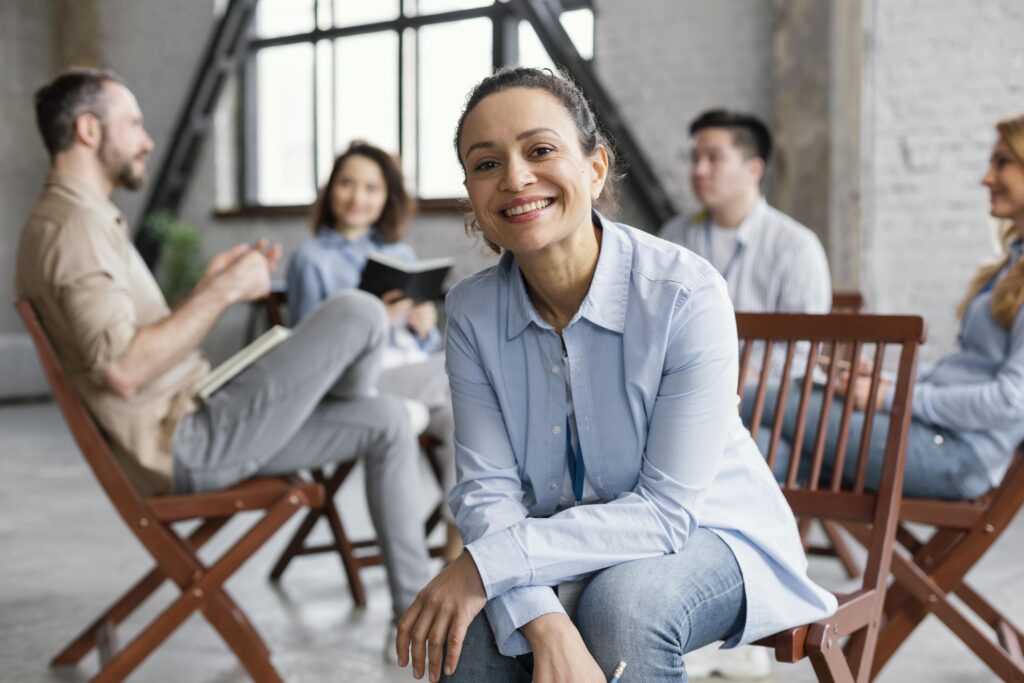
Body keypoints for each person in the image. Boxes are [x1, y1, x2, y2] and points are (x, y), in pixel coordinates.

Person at [393, 66, 836, 683]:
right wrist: (539, 617)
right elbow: (486, 489)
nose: (516, 177)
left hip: (712, 532)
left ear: (595, 169)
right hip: (568, 545)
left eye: (541, 150)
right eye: (486, 163)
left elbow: (664, 514)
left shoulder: (685, 293)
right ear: (471, 192)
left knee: (622, 611)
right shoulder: (471, 310)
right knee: (469, 636)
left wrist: (486, 565)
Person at [15, 68, 432, 641]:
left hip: (201, 416)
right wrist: (227, 291)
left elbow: (130, 346)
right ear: (89, 130)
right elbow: (122, 369)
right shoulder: (74, 230)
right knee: (358, 311)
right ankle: (335, 391)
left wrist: (207, 289)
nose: (147, 139)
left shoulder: (84, 220)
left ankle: (414, 619)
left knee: (385, 420)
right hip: (187, 443)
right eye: (133, 123)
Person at [749, 112, 1024, 503]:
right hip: (935, 433)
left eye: (1002, 163)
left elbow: (1013, 401)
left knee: (761, 399)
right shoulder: (1011, 267)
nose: (986, 177)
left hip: (954, 453)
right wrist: (885, 382)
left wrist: (890, 398)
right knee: (762, 445)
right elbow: (962, 372)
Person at [286, 141, 461, 562]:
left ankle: (458, 546)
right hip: (357, 382)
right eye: (347, 184)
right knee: (463, 377)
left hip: (410, 372)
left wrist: (421, 326)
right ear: (330, 191)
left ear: (386, 199)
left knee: (466, 417)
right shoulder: (311, 260)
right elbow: (307, 352)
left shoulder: (400, 254)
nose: (357, 197)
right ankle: (460, 550)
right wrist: (375, 318)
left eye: (371, 188)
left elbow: (422, 346)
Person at [660, 109, 831, 384]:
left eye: (714, 158)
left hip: (769, 395)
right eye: (695, 159)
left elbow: (802, 350)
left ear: (754, 170)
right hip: (688, 384)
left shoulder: (796, 246)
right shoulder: (674, 236)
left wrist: (740, 375)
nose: (699, 171)